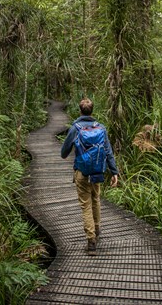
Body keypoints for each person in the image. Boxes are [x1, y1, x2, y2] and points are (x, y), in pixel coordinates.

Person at [61, 98, 118, 256]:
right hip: (97, 172)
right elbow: (108, 152)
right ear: (92, 111)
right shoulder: (101, 128)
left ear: (80, 111)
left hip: (82, 172)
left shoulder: (75, 128)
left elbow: (64, 153)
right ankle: (97, 228)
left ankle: (91, 241)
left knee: (85, 205)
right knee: (96, 199)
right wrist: (114, 172)